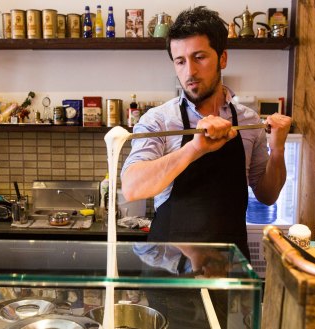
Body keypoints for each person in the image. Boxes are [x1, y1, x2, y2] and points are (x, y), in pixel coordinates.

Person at [121, 6, 292, 270]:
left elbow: (267, 195)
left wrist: (277, 150)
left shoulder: (249, 122)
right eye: (180, 61)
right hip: (168, 270)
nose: (189, 72)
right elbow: (132, 187)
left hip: (229, 265)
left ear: (222, 59)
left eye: (199, 57)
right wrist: (194, 149)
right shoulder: (159, 120)